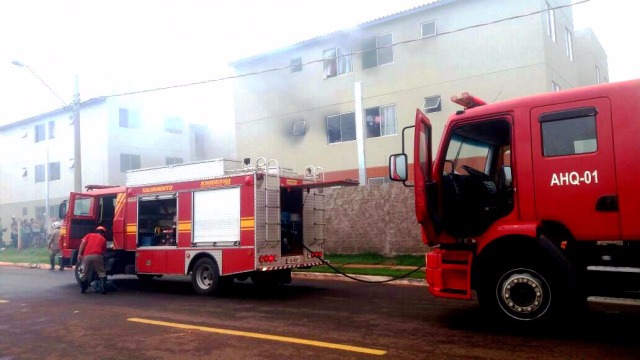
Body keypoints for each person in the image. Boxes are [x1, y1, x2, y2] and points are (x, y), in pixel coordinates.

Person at [78, 226, 108, 294]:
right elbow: (103, 252)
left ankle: (83, 289)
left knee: (84, 272)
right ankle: (103, 289)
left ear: (96, 231)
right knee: (101, 272)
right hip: (98, 255)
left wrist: (79, 254)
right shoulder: (103, 239)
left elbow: (83, 243)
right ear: (103, 233)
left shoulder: (89, 235)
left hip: (87, 255)